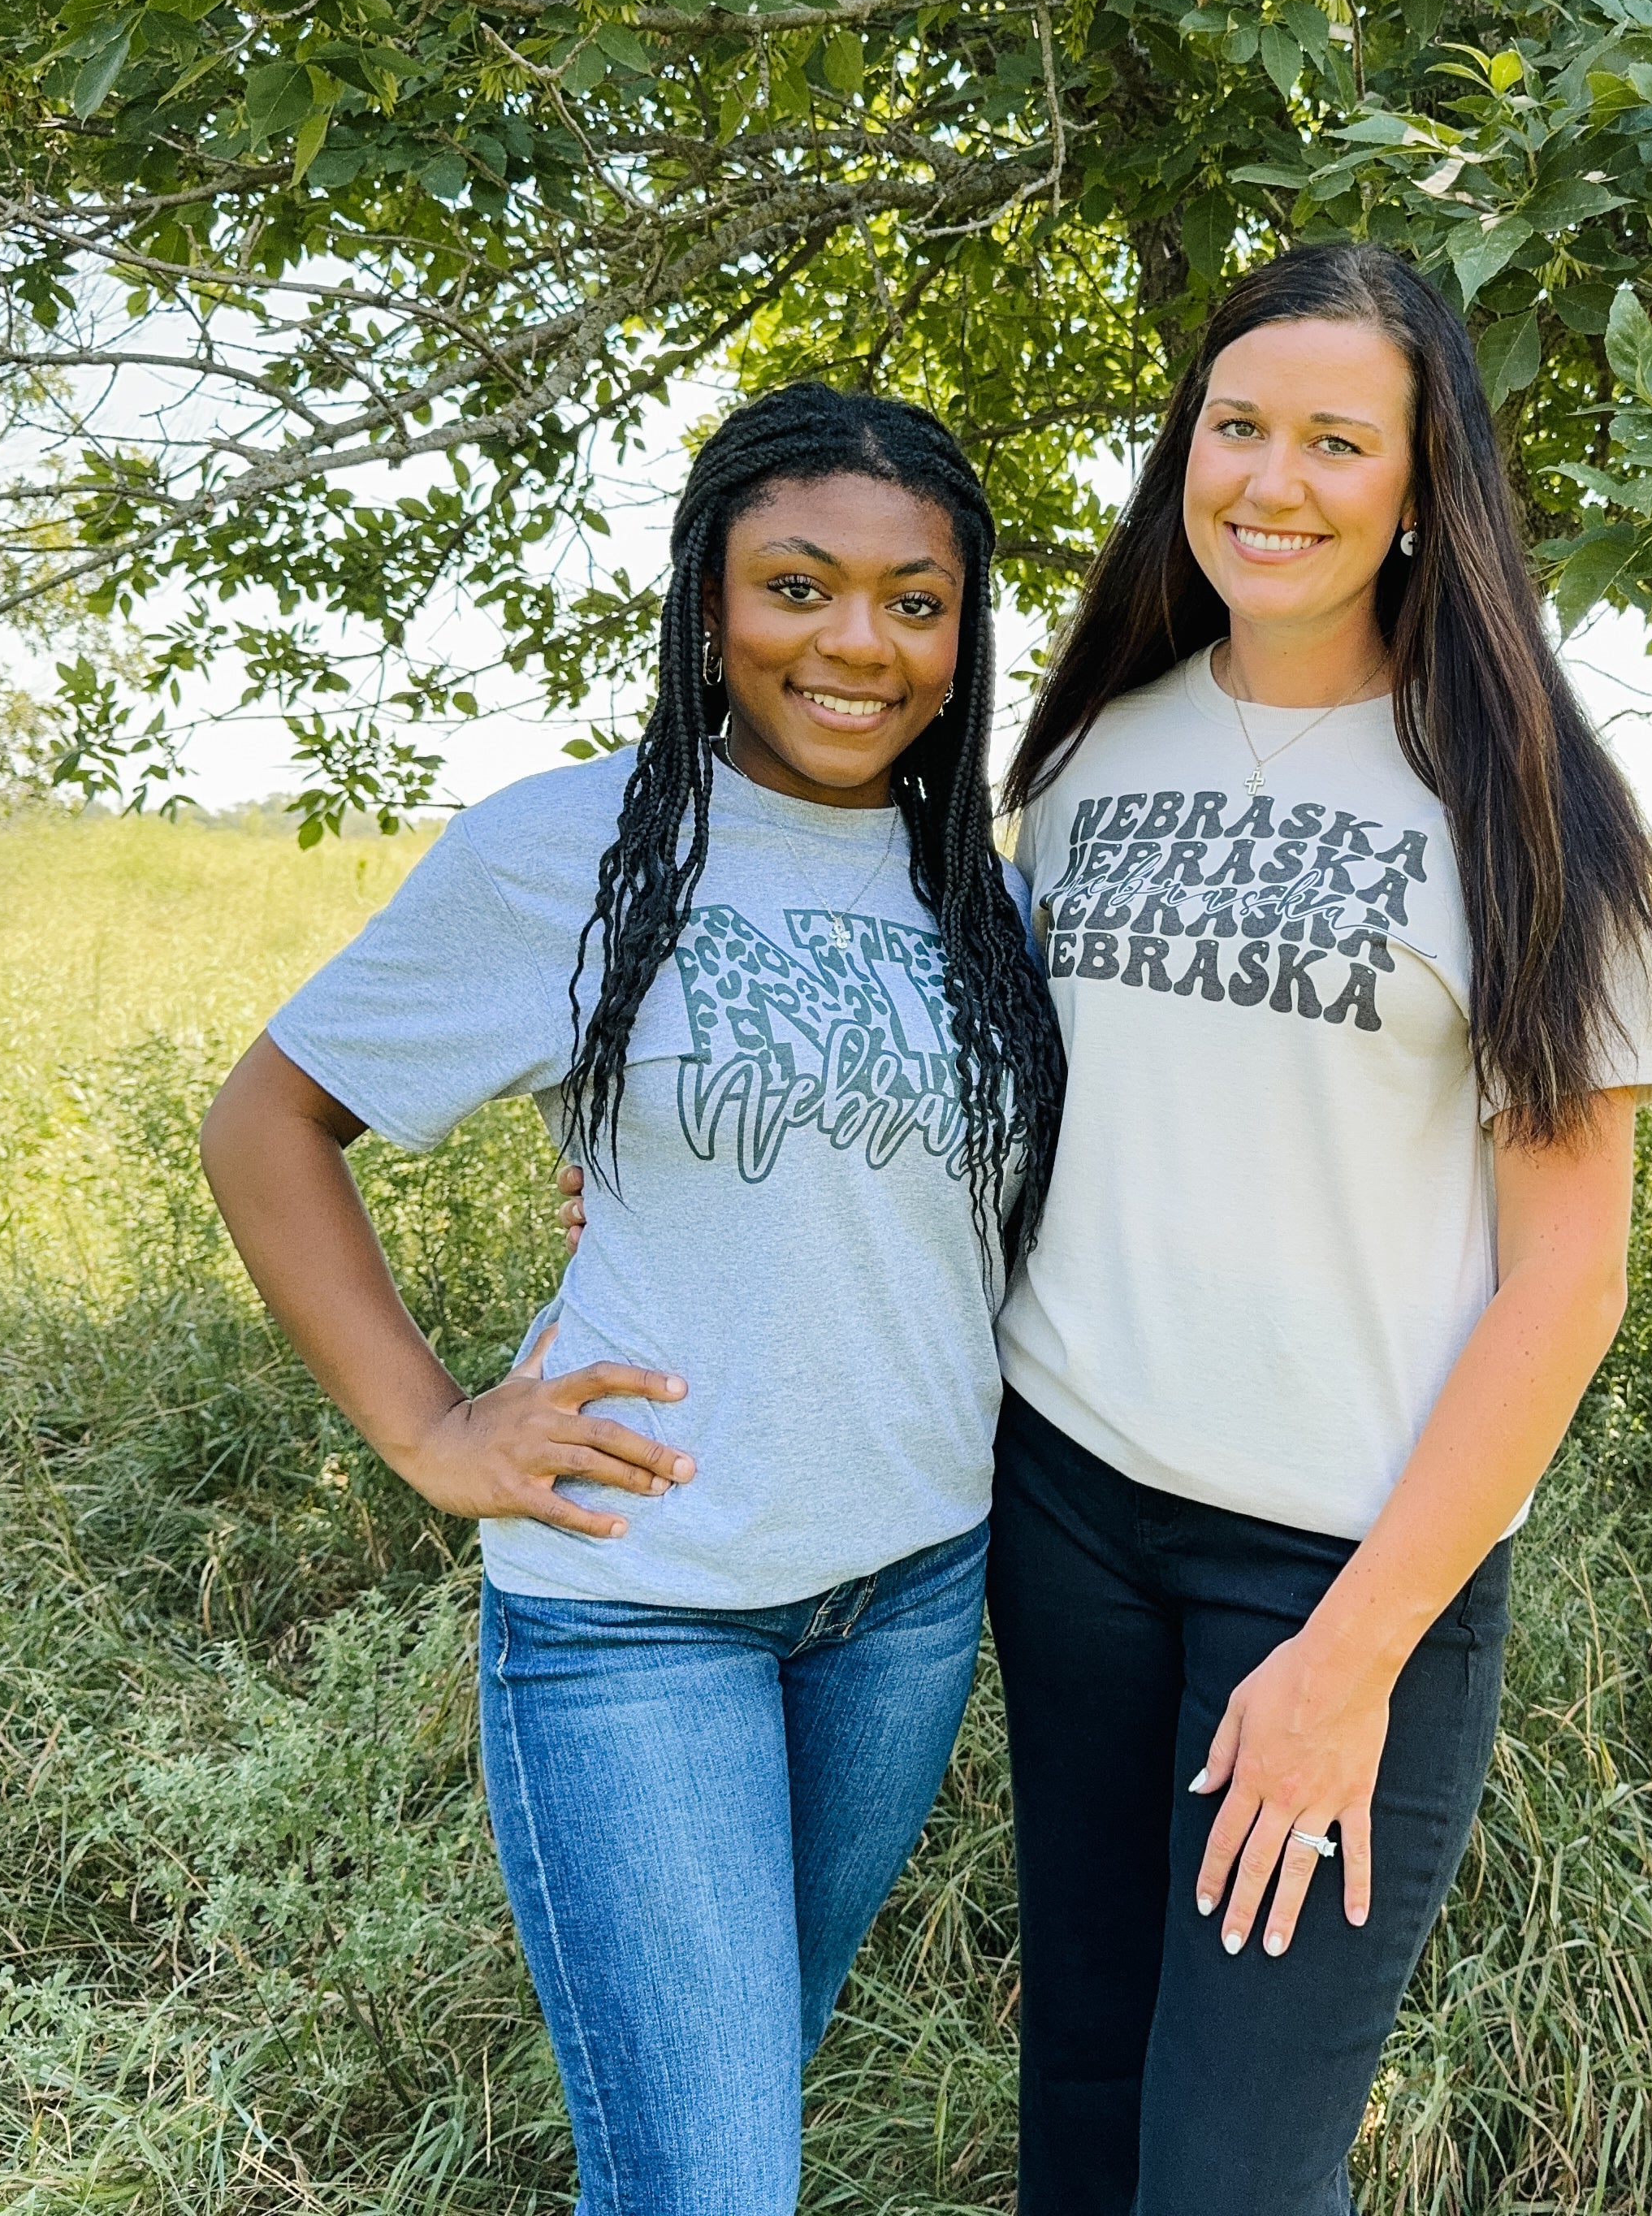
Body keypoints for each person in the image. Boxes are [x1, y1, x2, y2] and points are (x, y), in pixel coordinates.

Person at [199, 383, 1064, 2216]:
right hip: (641, 1614)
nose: (857, 642)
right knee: (713, 2182)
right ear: (705, 605)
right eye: (798, 585)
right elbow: (269, 1123)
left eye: (916, 601)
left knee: (705, 2137)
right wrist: (431, 1430)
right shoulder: (566, 849)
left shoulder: (978, 896)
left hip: (905, 1593)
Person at [988, 241, 1652, 2214]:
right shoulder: (1092, 746)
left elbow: (1568, 1275)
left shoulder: (1528, 810)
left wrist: (1345, 1656)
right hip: (1068, 1510)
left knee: (1233, 2173)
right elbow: (998, 1086)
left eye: (1333, 440)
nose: (1270, 481)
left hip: (1342, 1570)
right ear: (1181, 450)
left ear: (1419, 484)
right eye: (1235, 426)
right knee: (1083, 2099)